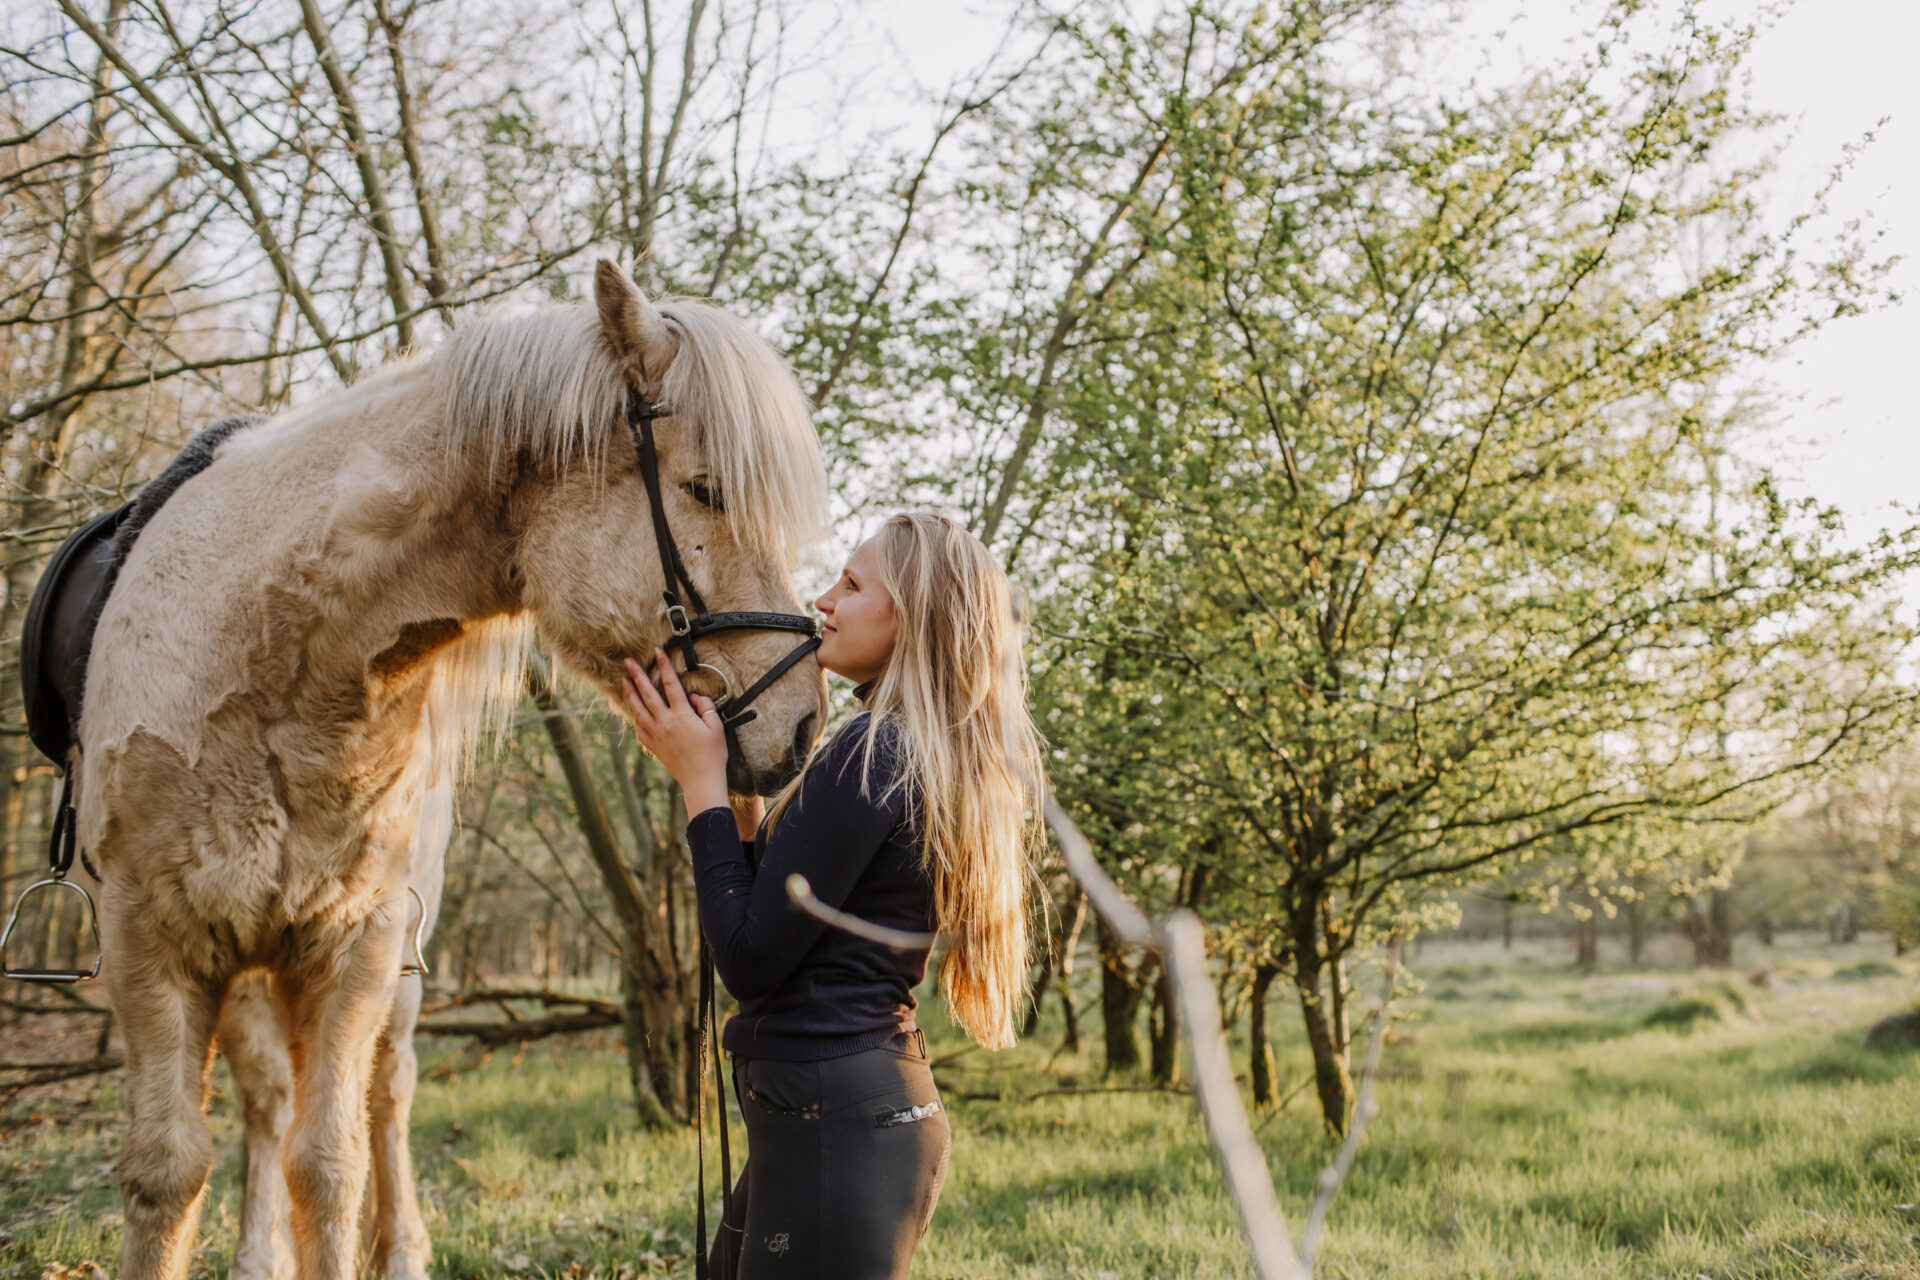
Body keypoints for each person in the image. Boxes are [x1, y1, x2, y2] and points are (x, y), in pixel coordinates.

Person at [620, 511, 1046, 1280]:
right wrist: (737, 787)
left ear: (913, 616)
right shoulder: (906, 747)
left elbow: (749, 961)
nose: (822, 600)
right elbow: (778, 925)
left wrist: (702, 786)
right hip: (836, 1118)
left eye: (850, 585)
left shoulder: (875, 751)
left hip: (837, 1123)